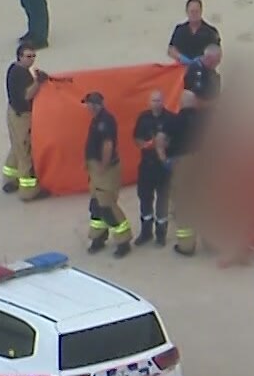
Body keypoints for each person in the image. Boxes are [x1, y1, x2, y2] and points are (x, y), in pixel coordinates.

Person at [80, 92, 133, 256]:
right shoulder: (98, 120)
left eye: (88, 104)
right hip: (96, 170)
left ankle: (123, 240)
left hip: (105, 170)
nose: (87, 107)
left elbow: (108, 145)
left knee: (107, 206)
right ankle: (99, 237)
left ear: (95, 105)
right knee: (96, 206)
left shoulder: (105, 122)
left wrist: (103, 166)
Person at [2, 43, 50, 201]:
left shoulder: (14, 69)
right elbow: (27, 95)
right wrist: (39, 82)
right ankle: (28, 191)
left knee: (16, 146)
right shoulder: (21, 75)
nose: (32, 60)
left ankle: (9, 179)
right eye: (28, 56)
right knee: (25, 152)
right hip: (22, 116)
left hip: (13, 112)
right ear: (20, 56)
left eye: (33, 56)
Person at [165, 88, 206, 256]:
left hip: (181, 164)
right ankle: (212, 242)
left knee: (183, 205)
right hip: (203, 163)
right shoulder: (205, 120)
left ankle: (186, 246)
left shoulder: (174, 121)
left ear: (181, 104)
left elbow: (164, 141)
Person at [132, 89, 176, 247]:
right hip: (146, 166)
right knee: (145, 199)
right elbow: (136, 138)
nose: (156, 103)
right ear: (149, 102)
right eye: (153, 100)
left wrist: (163, 145)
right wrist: (144, 145)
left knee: (163, 200)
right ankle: (145, 233)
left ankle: (161, 235)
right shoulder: (143, 118)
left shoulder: (171, 119)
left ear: (163, 101)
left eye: (158, 100)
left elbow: (177, 140)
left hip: (163, 167)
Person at [167, 0, 221, 66]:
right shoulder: (180, 29)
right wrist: (180, 57)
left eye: (197, 11)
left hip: (205, 70)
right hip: (182, 69)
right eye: (192, 11)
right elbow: (171, 50)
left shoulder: (211, 31)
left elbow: (217, 55)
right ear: (187, 12)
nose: (194, 14)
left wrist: (203, 59)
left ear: (201, 11)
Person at [183, 44, 223, 110]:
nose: (218, 62)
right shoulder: (195, 69)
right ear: (208, 58)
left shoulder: (213, 73)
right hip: (192, 114)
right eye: (217, 60)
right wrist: (213, 103)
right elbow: (195, 97)